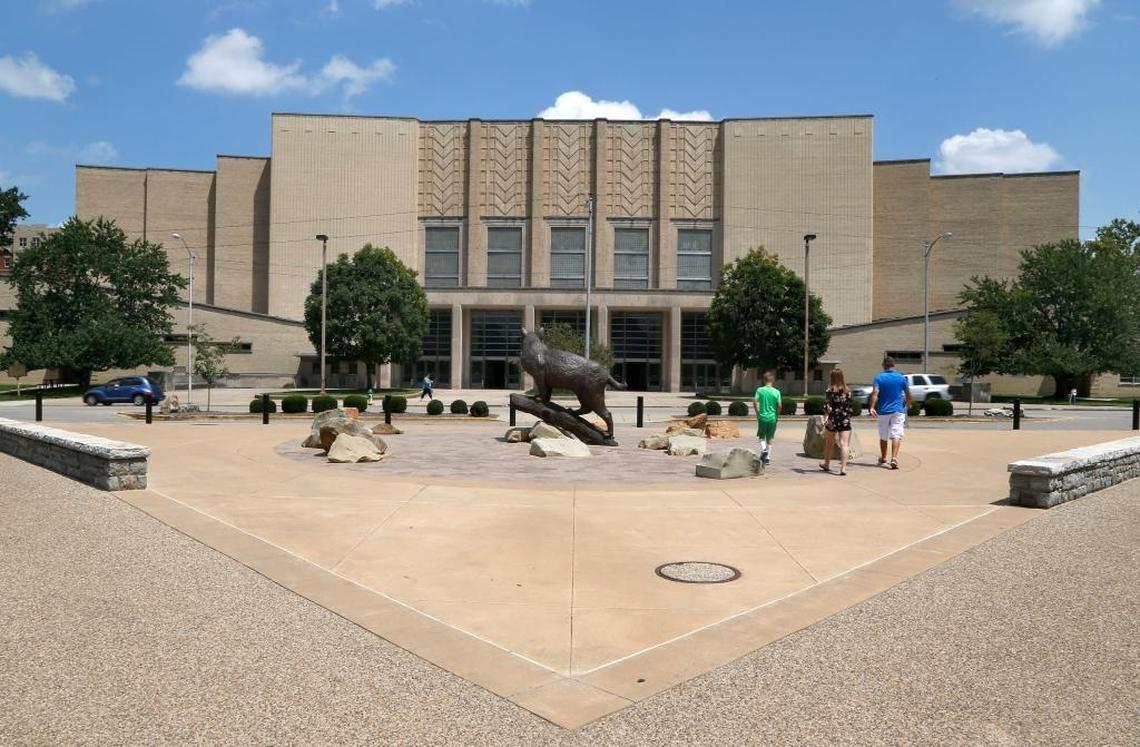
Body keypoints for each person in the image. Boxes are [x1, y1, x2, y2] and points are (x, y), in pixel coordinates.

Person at [868, 356, 912, 470]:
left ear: (883, 365)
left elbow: (875, 393)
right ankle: (894, 458)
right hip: (898, 410)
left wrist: (872, 407)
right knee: (896, 434)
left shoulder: (879, 377)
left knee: (883, 435)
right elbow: (908, 392)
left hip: (883, 410)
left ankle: (883, 457)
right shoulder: (901, 378)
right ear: (894, 365)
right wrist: (909, 403)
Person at [820, 368, 854, 476]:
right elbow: (850, 406)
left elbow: (827, 406)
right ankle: (843, 468)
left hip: (833, 420)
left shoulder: (830, 390)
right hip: (844, 419)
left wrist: (825, 416)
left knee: (829, 443)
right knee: (845, 444)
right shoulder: (848, 390)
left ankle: (826, 464)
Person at [753, 371, 781, 465]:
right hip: (772, 417)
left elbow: (754, 401)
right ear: (773, 380)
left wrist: (757, 413)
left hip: (762, 417)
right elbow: (780, 405)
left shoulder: (760, 390)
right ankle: (768, 457)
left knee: (761, 436)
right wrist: (777, 415)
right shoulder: (776, 392)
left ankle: (764, 449)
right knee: (770, 437)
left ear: (764, 380)